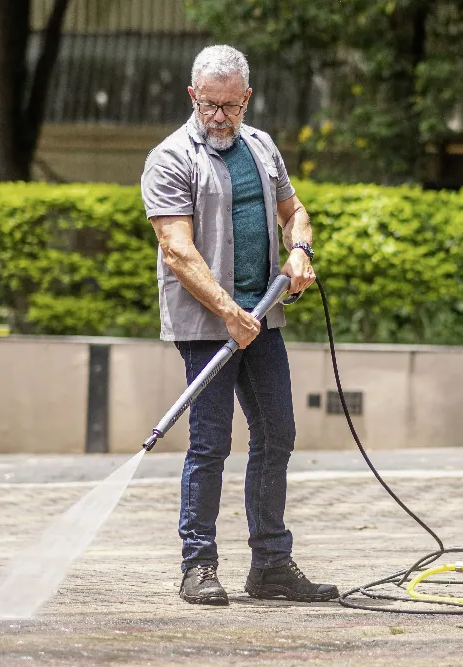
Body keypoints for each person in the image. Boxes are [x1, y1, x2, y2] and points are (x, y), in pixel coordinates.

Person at [140, 44, 338, 606]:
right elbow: (176, 251)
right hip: (209, 326)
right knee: (210, 444)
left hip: (263, 317)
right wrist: (228, 311)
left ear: (246, 98)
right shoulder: (171, 157)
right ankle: (198, 565)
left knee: (279, 435)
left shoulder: (260, 145)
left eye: (231, 105)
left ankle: (271, 565)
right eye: (210, 105)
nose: (221, 116)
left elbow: (294, 210)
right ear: (192, 97)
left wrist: (300, 248)